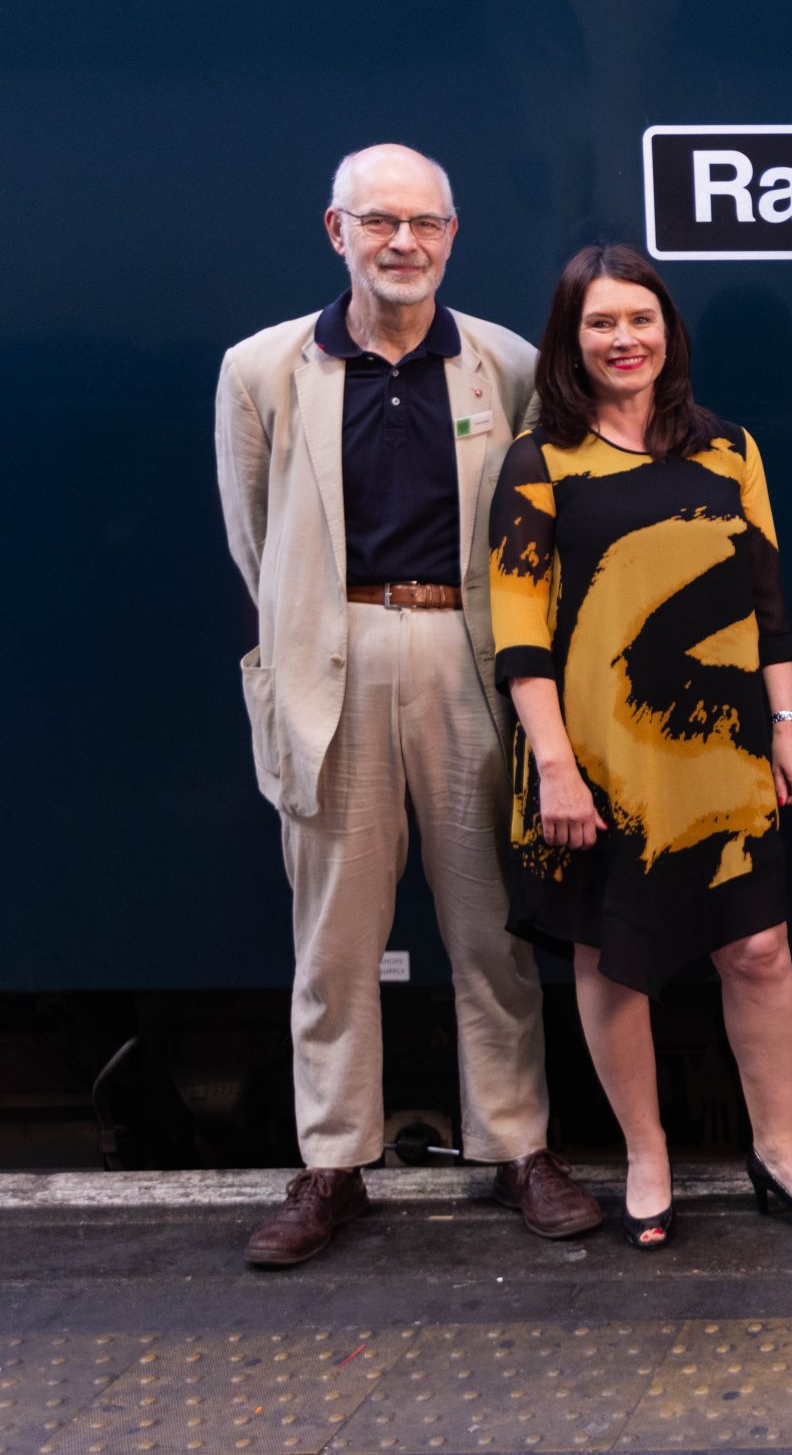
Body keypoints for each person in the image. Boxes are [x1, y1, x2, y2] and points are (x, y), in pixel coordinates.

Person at [214, 145, 601, 1268]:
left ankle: (519, 1147)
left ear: (451, 234)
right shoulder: (263, 369)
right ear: (335, 231)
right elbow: (256, 538)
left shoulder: (508, 364)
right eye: (377, 221)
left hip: (471, 662)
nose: (402, 242)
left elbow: (539, 535)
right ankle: (333, 1163)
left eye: (423, 224)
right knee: (332, 941)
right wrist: (312, 636)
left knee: (494, 931)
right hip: (330, 659)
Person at [491, 243, 792, 1249]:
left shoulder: (729, 448)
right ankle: (645, 1155)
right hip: (594, 762)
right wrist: (554, 766)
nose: (623, 339)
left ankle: (780, 1151)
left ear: (668, 332)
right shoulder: (539, 462)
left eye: (639, 320)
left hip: (725, 751)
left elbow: (766, 601)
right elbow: (518, 640)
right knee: (611, 958)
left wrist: (788, 724)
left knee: (760, 949)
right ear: (570, 341)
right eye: (600, 323)